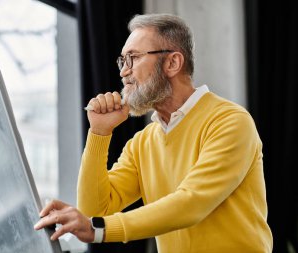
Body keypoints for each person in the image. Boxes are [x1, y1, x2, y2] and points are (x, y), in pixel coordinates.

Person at [34, 13, 273, 252]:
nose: (123, 72)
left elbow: (192, 203)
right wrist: (99, 132)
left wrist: (100, 229)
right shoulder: (143, 142)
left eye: (133, 58)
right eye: (122, 61)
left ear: (172, 63)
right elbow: (95, 211)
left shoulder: (230, 122)